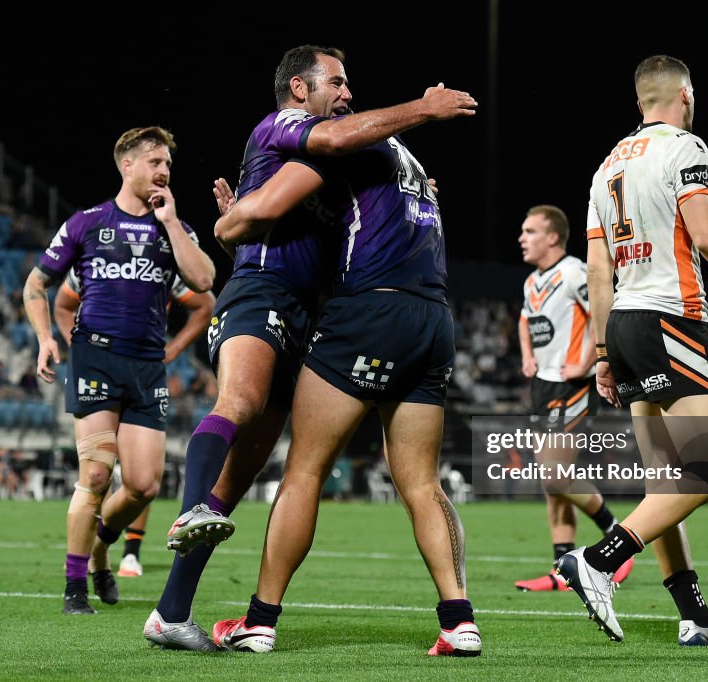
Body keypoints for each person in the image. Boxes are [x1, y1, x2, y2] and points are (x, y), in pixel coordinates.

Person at [141, 44, 477, 653]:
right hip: (282, 296)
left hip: (325, 315)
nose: (348, 94)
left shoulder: (355, 150)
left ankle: (176, 611)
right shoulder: (304, 133)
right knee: (244, 408)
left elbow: (258, 217)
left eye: (350, 88)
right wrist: (231, 224)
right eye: (338, 83)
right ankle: (458, 619)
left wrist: (236, 222)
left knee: (257, 478)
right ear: (300, 88)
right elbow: (252, 217)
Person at [556, 55, 708, 645]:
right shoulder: (685, 149)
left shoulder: (606, 164)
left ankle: (695, 617)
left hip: (629, 327)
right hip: (673, 320)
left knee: (665, 482)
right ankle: (600, 559)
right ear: (685, 95)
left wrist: (606, 354)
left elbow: (597, 270)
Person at [22, 125, 217, 615]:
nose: (164, 171)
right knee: (95, 472)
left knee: (144, 485)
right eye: (155, 161)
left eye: (168, 164)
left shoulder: (176, 229)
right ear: (126, 165)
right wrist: (47, 337)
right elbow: (35, 285)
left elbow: (205, 283)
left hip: (147, 365)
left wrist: (171, 223)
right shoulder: (87, 223)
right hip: (95, 358)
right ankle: (74, 585)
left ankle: (102, 551)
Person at [53, 266, 216, 578]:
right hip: (96, 370)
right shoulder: (97, 248)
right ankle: (81, 554)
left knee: (141, 479)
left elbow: (205, 300)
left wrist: (173, 351)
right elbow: (62, 302)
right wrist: (75, 347)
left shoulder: (162, 255)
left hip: (144, 370)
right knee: (96, 474)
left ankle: (130, 552)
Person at [512, 205, 634, 592]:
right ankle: (563, 570)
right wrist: (528, 356)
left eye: (530, 231)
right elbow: (523, 319)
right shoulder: (533, 281)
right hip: (544, 386)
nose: (522, 238)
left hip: (573, 387)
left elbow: (605, 309)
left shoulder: (573, 272)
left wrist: (588, 362)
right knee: (554, 483)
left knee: (553, 473)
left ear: (553, 237)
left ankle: (617, 535)